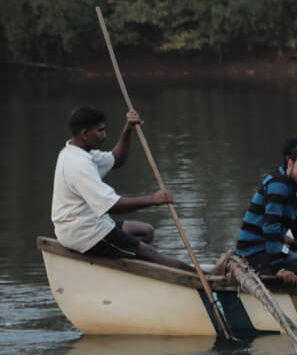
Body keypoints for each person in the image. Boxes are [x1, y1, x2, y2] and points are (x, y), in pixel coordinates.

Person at [51, 105, 192, 271]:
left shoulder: (83, 152)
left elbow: (116, 159)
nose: (104, 135)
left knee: (145, 232)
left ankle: (124, 260)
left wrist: (128, 129)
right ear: (84, 133)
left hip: (90, 222)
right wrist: (153, 200)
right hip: (83, 232)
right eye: (100, 131)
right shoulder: (77, 164)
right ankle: (205, 275)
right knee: (150, 254)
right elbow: (112, 205)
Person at [236, 142, 297, 285]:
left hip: (266, 250)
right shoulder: (279, 185)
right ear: (290, 163)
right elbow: (271, 228)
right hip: (255, 252)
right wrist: (278, 268)